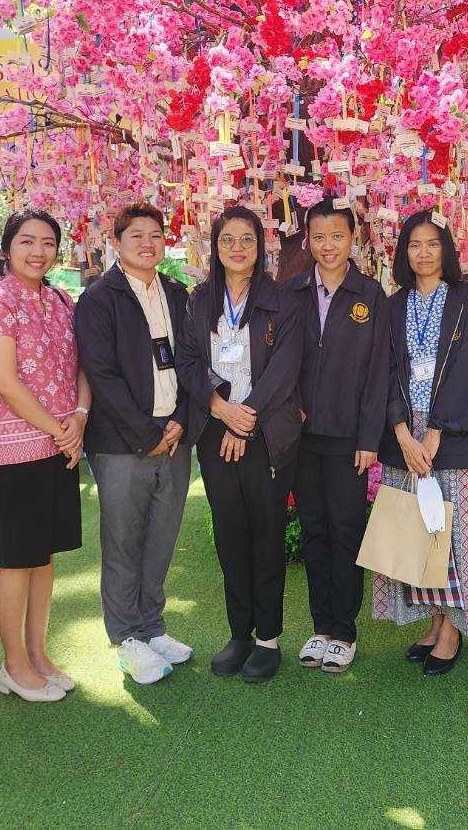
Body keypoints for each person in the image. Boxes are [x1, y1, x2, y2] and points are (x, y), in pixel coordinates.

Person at [176, 206, 302, 683]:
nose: (237, 247)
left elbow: (285, 368)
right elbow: (189, 361)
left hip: (265, 431)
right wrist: (219, 407)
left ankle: (268, 638)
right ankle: (240, 633)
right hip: (216, 431)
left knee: (266, 534)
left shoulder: (281, 299)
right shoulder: (199, 299)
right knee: (230, 535)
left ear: (259, 245)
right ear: (215, 246)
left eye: (246, 239)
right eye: (227, 239)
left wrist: (243, 418)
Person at [373, 210, 468, 676]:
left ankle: (452, 631)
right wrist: (401, 431)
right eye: (414, 245)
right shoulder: (392, 306)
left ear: (446, 250)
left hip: (456, 431)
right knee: (419, 532)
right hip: (405, 434)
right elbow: (383, 371)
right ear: (403, 253)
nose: (424, 253)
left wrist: (436, 430)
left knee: (456, 533)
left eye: (432, 244)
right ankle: (433, 621)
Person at [0, 209, 91, 703]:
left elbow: (83, 366)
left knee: (43, 558)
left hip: (59, 445)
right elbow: (4, 381)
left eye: (47, 243)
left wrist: (79, 416)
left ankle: (39, 655)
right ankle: (13, 664)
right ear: (7, 248)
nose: (38, 251)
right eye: (26, 241)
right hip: (15, 449)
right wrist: (60, 430)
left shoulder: (62, 301)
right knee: (17, 559)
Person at [74, 203, 193, 685]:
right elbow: (101, 374)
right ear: (116, 242)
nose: (147, 243)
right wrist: (148, 434)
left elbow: (192, 363)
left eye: (155, 235)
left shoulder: (177, 294)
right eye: (136, 235)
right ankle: (126, 637)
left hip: (176, 435)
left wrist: (181, 420)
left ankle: (152, 626)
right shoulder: (99, 299)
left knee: (162, 536)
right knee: (124, 541)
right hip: (124, 442)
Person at [285, 197, 390, 673]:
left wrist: (369, 437)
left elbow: (378, 372)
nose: (328, 246)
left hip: (349, 440)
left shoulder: (370, 294)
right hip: (302, 437)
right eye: (319, 237)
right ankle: (320, 626)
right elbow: (278, 363)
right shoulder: (291, 292)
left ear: (354, 239)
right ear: (308, 240)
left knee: (345, 530)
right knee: (314, 530)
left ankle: (344, 631)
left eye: (338, 236)